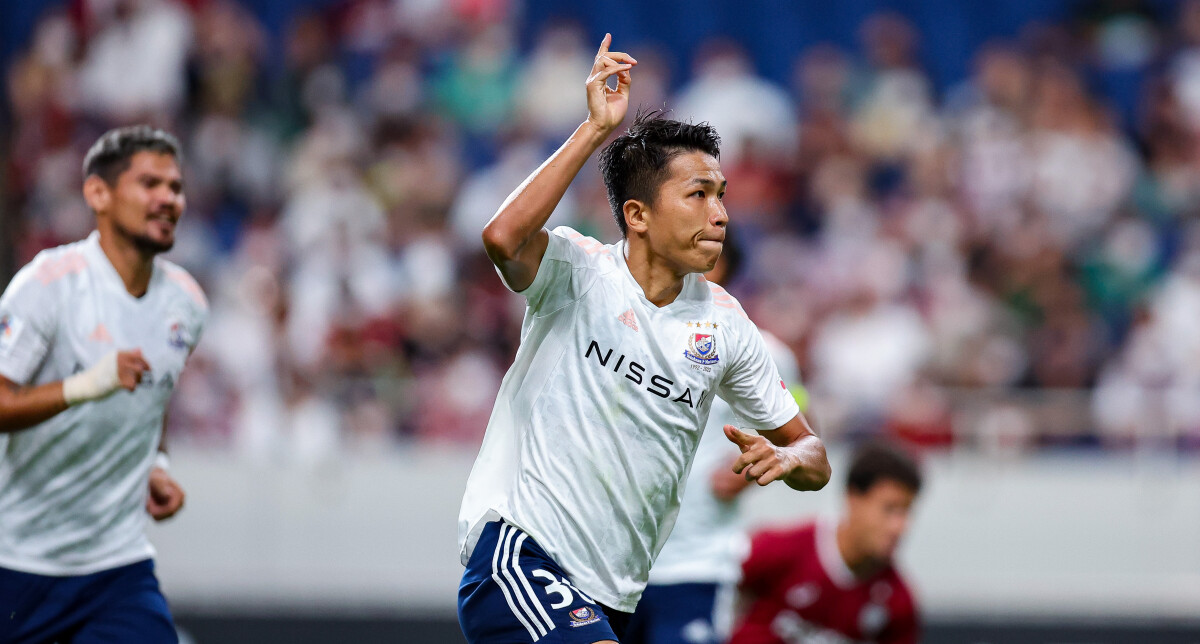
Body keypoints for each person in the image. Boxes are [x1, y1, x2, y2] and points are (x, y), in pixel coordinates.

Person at [457, 34, 831, 644]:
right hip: (521, 552)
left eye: (721, 196)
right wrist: (594, 130)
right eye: (699, 195)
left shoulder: (727, 326)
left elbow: (815, 457)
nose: (721, 214)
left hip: (617, 590)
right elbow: (502, 238)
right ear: (638, 215)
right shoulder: (578, 272)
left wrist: (790, 458)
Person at [0, 125, 207, 643]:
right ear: (98, 193)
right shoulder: (49, 285)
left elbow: (154, 399)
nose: (168, 199)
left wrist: (157, 465)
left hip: (116, 565)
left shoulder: (186, 303)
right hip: (17, 557)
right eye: (150, 183)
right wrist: (85, 386)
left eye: (176, 187)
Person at [624, 238, 812, 644]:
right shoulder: (630, 331)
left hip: (697, 559)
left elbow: (796, 433)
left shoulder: (762, 350)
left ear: (720, 266)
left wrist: (753, 467)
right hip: (616, 557)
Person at [729, 442, 922, 644]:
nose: (899, 527)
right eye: (890, 509)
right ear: (853, 497)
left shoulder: (898, 602)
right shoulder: (780, 549)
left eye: (906, 512)